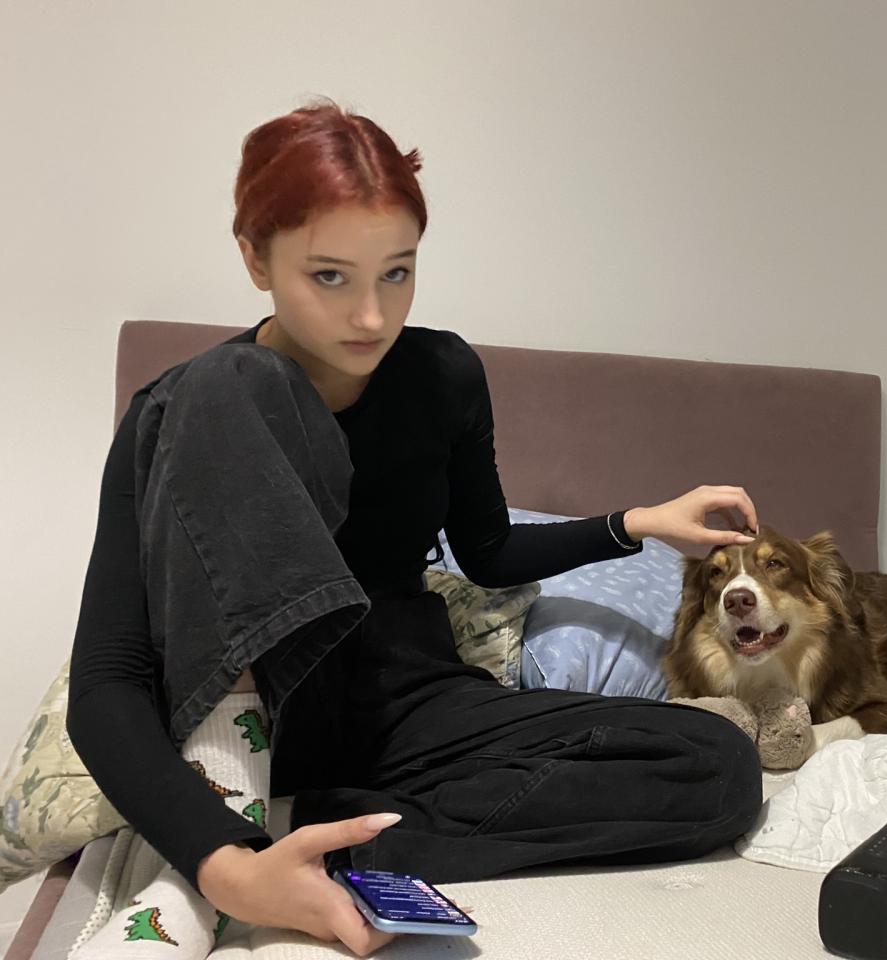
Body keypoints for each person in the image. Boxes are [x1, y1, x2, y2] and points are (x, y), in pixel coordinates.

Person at [66, 97, 763, 958]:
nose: (371, 317)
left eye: (396, 273)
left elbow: (489, 551)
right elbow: (106, 680)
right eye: (330, 277)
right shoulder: (185, 409)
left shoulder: (441, 374)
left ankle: (309, 833)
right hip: (264, 700)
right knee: (230, 381)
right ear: (254, 257)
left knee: (717, 766)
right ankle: (228, 828)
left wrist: (639, 523)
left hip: (408, 700)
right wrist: (222, 866)